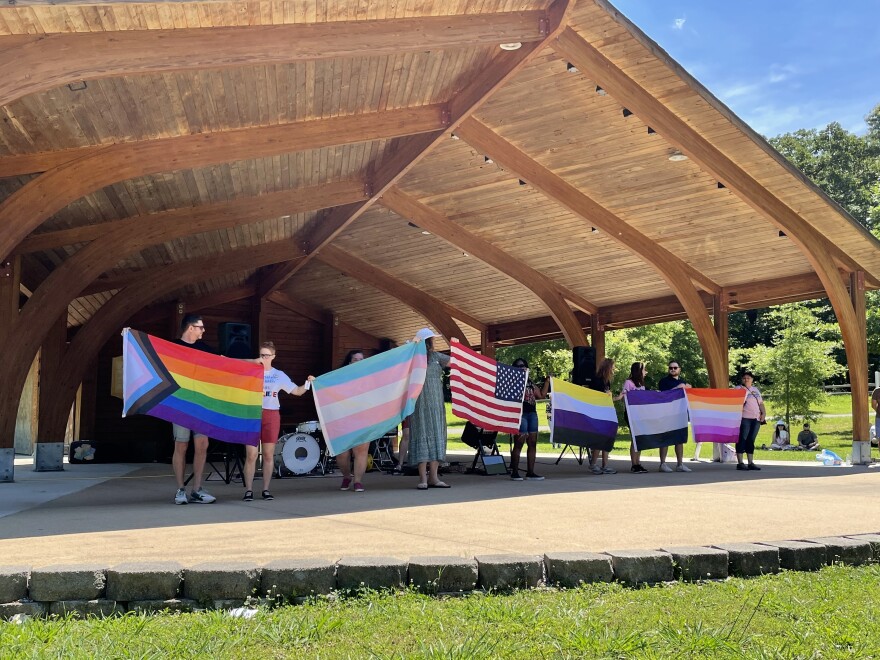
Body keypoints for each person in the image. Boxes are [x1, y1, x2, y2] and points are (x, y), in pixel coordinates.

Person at [242, 341, 314, 502]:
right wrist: (253, 361)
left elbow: (296, 391)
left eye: (267, 355)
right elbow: (238, 365)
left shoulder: (279, 375)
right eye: (262, 355)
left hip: (271, 414)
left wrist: (308, 383)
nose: (264, 358)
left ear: (273, 356)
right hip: (252, 414)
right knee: (251, 454)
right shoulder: (252, 369)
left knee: (268, 455)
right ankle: (248, 490)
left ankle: (266, 489)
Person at [172, 314, 217, 505]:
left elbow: (225, 363)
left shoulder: (204, 349)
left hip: (201, 404)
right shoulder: (172, 347)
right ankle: (180, 490)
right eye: (201, 327)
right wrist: (130, 337)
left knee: (202, 445)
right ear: (190, 328)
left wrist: (255, 362)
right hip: (181, 404)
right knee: (181, 445)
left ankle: (197, 489)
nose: (203, 330)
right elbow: (148, 352)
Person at [408, 329, 452, 489]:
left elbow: (455, 362)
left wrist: (457, 347)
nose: (431, 342)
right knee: (422, 434)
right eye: (429, 340)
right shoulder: (413, 358)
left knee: (436, 435)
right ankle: (423, 479)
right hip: (419, 403)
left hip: (436, 403)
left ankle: (433, 477)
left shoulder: (436, 357)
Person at [336, 349, 371, 492]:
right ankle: (346, 476)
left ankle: (358, 481)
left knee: (361, 451)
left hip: (363, 417)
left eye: (361, 359)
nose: (359, 362)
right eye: (356, 359)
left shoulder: (370, 378)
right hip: (343, 418)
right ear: (349, 362)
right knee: (342, 454)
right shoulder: (339, 377)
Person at [510, 358, 547, 481]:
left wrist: (547, 381)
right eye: (520, 366)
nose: (523, 367)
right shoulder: (512, 382)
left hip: (532, 414)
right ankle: (515, 472)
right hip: (520, 415)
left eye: (524, 365)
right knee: (519, 443)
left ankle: (530, 472)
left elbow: (541, 395)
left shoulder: (530, 383)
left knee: (532, 443)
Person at [656, 360, 692, 473]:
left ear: (679, 369)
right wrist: (678, 388)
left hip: (680, 414)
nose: (672, 369)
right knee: (665, 439)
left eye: (675, 368)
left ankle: (680, 464)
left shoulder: (683, 382)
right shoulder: (664, 381)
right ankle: (662, 464)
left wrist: (689, 390)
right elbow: (663, 396)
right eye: (671, 368)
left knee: (679, 439)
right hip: (667, 414)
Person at [617, 361, 648, 474]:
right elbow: (624, 395)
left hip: (640, 414)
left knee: (639, 438)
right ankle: (634, 464)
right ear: (638, 371)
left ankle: (638, 463)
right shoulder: (628, 382)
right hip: (631, 414)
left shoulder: (642, 384)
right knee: (634, 438)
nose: (646, 372)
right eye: (644, 370)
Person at [588, 358, 617, 475]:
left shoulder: (607, 381)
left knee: (607, 438)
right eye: (613, 366)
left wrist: (615, 397)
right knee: (599, 439)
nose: (614, 369)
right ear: (608, 367)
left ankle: (605, 465)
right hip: (597, 413)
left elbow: (607, 397)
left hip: (606, 412)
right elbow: (594, 396)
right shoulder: (597, 380)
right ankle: (593, 464)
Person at [735, 370, 766, 470]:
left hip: (756, 418)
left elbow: (761, 403)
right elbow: (737, 402)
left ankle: (750, 462)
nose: (746, 379)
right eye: (744, 378)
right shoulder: (739, 388)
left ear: (752, 379)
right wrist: (744, 390)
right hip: (744, 418)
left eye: (748, 378)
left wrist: (763, 413)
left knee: (751, 440)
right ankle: (740, 462)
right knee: (742, 439)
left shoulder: (755, 390)